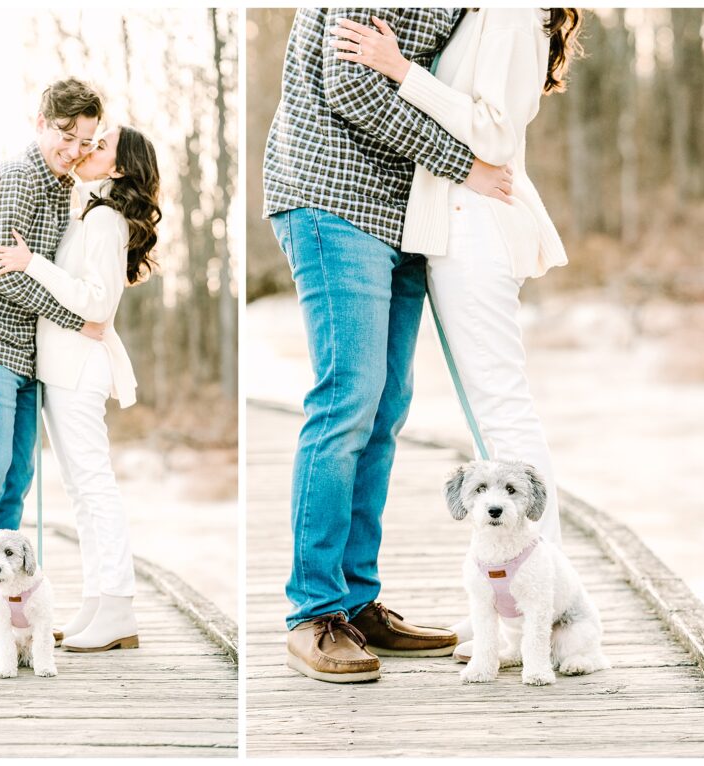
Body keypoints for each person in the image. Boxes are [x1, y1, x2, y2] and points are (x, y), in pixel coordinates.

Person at [262, 8, 515, 684]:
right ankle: (313, 612)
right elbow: (350, 86)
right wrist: (462, 162)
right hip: (333, 197)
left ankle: (355, 599)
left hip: (404, 206)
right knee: (348, 398)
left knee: (384, 407)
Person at [329, 8, 582, 659]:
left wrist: (400, 70)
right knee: (491, 420)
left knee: (503, 409)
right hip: (458, 224)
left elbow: (494, 135)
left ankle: (551, 615)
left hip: (477, 225)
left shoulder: (511, 12)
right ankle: (518, 604)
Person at [0, 77, 103, 663]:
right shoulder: (14, 179)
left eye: (84, 140)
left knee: (14, 483)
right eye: (65, 134)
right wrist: (77, 317)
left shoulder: (63, 188)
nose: (73, 149)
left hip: (24, 353)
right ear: (40, 121)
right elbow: (5, 274)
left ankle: (7, 611)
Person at [0, 125, 161, 653]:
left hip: (80, 367)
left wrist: (31, 263)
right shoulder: (91, 212)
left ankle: (119, 606)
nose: (87, 148)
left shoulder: (106, 220)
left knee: (95, 487)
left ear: (120, 168)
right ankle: (96, 601)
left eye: (100, 145)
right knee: (82, 493)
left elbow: (98, 304)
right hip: (62, 368)